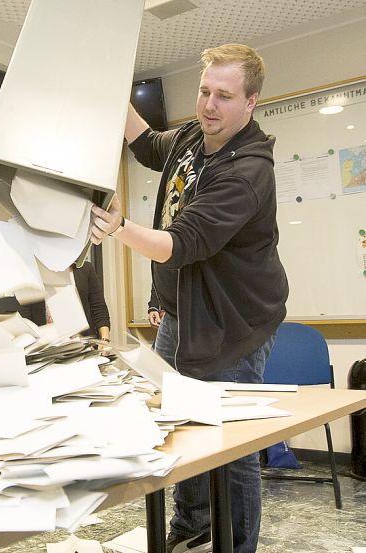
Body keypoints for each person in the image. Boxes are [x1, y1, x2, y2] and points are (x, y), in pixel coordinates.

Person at [91, 44, 288, 553]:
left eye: (224, 96)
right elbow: (147, 145)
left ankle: (236, 545)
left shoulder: (247, 170)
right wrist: (113, 91)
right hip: (183, 314)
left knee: (231, 444)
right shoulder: (192, 138)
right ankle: (193, 524)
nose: (208, 105)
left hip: (234, 326)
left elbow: (182, 244)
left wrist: (118, 227)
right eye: (204, 91)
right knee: (183, 425)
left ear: (251, 103)